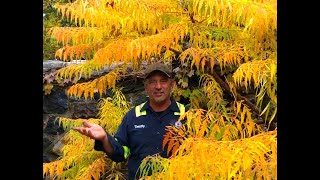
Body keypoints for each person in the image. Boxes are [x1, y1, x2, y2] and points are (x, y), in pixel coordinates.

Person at [73, 62, 188, 180]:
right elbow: (121, 153)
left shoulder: (188, 115)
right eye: (152, 82)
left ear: (172, 85)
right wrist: (105, 138)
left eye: (163, 81)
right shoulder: (133, 116)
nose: (158, 86)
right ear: (146, 87)